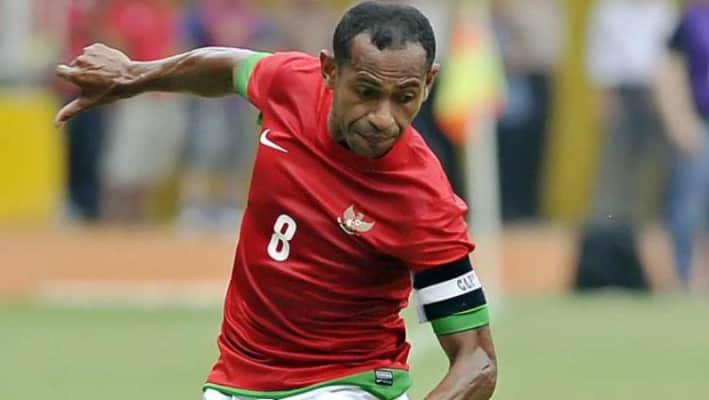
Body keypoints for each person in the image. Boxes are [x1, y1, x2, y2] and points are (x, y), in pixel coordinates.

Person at [54, 2, 497, 399]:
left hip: (348, 383)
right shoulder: (292, 85)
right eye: (366, 92)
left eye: (405, 98)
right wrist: (134, 76)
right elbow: (228, 67)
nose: (384, 118)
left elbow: (476, 359)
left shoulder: (422, 198)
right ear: (329, 71)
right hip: (235, 380)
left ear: (428, 83)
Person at [654, 1, 709, 288]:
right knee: (688, 204)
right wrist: (678, 120)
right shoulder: (692, 20)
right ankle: (684, 275)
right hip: (699, 122)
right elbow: (669, 71)